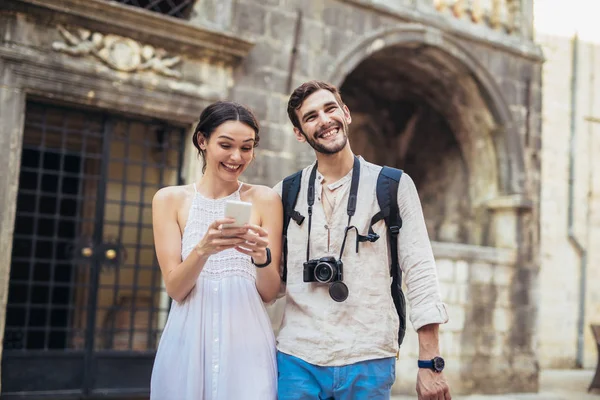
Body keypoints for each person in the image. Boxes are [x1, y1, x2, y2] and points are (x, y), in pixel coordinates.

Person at [273, 81, 451, 400]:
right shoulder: (283, 193)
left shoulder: (393, 186)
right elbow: (272, 286)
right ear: (299, 133)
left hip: (369, 357)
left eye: (330, 109)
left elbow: (421, 273)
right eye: (311, 116)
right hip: (297, 358)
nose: (325, 120)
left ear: (346, 113)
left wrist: (430, 364)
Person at [150, 101, 281, 400]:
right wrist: (203, 249)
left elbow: (270, 294)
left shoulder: (266, 199)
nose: (237, 157)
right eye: (226, 145)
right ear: (202, 140)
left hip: (247, 344)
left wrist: (261, 258)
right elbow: (175, 288)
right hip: (187, 341)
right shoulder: (169, 200)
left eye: (246, 148)